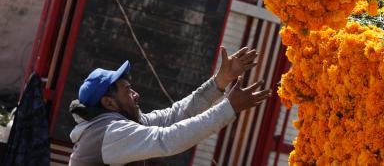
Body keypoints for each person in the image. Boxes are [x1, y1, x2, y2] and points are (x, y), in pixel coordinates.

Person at [68, 47, 271, 165]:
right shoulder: (111, 133)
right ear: (109, 102)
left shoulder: (116, 124)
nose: (136, 94)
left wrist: (220, 80)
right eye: (128, 90)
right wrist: (229, 108)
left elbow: (173, 117)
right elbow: (168, 140)